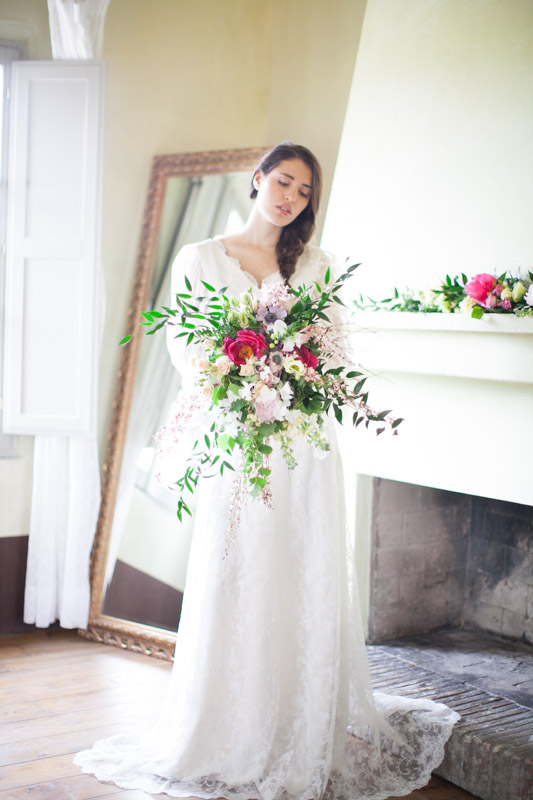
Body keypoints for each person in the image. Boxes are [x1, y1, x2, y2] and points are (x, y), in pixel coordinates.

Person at [75, 142, 459, 799]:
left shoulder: (315, 264)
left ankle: (298, 721)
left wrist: (300, 371)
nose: (290, 197)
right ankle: (230, 722)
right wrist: (238, 380)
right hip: (241, 443)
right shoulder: (201, 258)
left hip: (304, 447)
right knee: (238, 573)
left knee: (300, 572)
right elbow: (185, 346)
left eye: (304, 191)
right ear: (256, 180)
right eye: (283, 181)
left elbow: (332, 352)